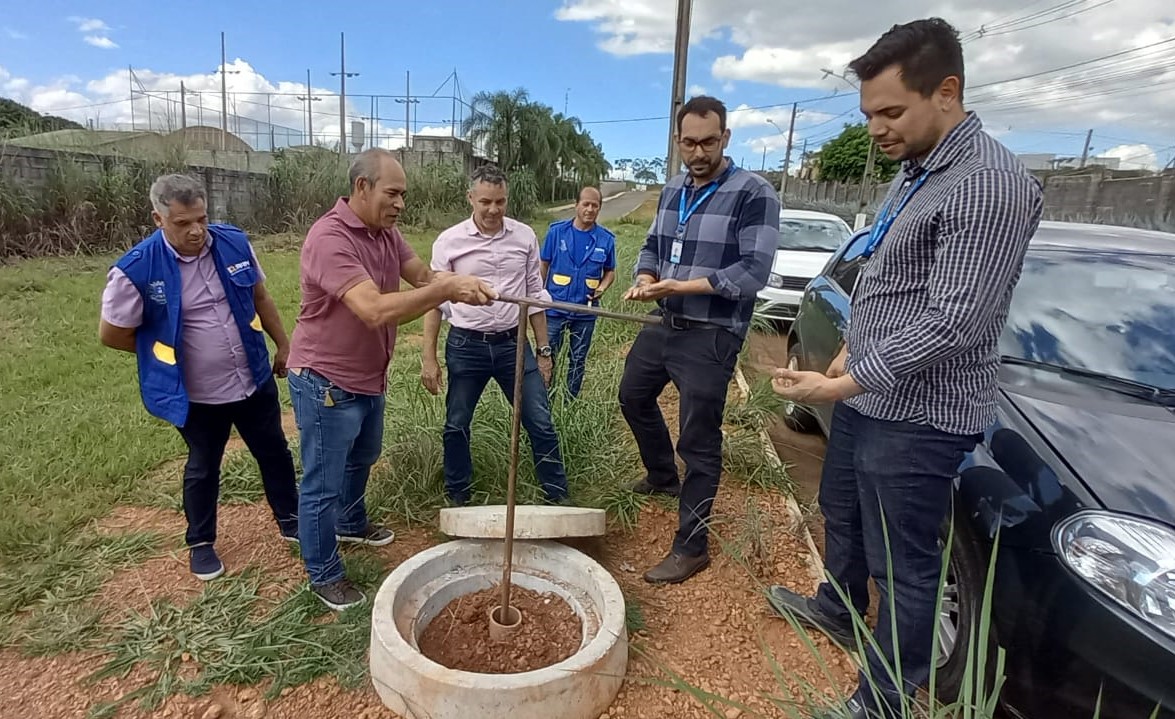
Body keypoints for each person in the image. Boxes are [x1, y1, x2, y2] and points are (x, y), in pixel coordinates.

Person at [764, 18, 1043, 719]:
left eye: (890, 111)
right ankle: (834, 605)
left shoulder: (986, 185)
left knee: (905, 565)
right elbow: (891, 279)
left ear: (945, 91)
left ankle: (882, 699)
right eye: (868, 115)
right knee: (843, 514)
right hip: (869, 393)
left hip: (918, 415)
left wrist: (842, 382)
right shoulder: (916, 173)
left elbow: (954, 320)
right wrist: (850, 348)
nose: (875, 130)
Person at [286, 148, 496, 611]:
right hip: (325, 380)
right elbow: (374, 309)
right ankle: (323, 574)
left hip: (366, 376)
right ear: (362, 187)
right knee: (322, 480)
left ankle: (351, 520)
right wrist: (444, 291)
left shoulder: (386, 233)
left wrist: (462, 281)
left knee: (364, 455)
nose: (401, 204)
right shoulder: (330, 238)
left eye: (403, 195)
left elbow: (421, 273)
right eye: (393, 193)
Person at [99, 173, 299, 582]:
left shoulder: (234, 242)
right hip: (196, 394)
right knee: (204, 465)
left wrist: (284, 344)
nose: (196, 231)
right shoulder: (136, 270)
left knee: (274, 450)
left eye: (201, 219)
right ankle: (201, 542)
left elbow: (260, 296)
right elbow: (112, 333)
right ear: (158, 219)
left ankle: (291, 519)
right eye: (182, 223)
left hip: (251, 377)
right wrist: (162, 361)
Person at [619, 95, 780, 585]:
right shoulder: (672, 189)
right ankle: (664, 477)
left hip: (711, 335)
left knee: (700, 441)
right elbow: (652, 246)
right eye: (689, 142)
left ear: (726, 138)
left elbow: (753, 271)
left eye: (708, 141)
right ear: (677, 141)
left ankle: (692, 547)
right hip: (664, 323)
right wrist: (647, 277)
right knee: (632, 396)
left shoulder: (754, 192)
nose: (699, 152)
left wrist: (679, 286)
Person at [421, 164, 571, 507]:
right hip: (465, 345)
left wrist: (544, 351)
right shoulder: (449, 241)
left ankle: (558, 498)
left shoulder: (524, 236)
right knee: (456, 425)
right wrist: (428, 357)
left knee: (540, 421)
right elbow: (434, 300)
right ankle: (458, 498)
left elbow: (535, 295)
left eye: (500, 202)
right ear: (470, 198)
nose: (493, 210)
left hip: (513, 346)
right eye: (485, 201)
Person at [539, 186, 617, 398]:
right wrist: (541, 293)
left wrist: (602, 287)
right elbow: (543, 264)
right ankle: (546, 401)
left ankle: (570, 400)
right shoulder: (557, 232)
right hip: (555, 308)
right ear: (576, 205)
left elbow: (610, 271)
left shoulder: (606, 239)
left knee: (578, 358)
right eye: (586, 204)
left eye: (595, 205)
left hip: (585, 311)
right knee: (548, 356)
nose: (590, 209)